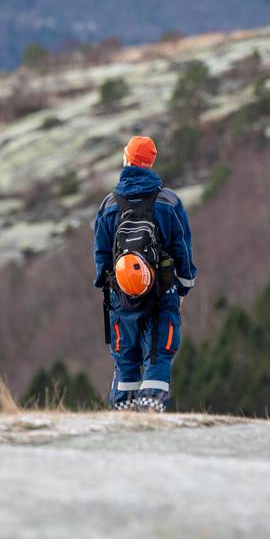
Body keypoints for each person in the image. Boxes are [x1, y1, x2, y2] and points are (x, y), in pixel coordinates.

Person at [92, 136, 197, 412]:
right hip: (162, 292)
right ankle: (151, 412)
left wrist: (108, 286)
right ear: (150, 163)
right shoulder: (169, 201)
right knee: (159, 353)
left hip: (120, 295)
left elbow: (101, 255)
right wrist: (183, 288)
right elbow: (182, 250)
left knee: (126, 357)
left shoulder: (109, 204)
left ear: (127, 159)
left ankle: (124, 414)